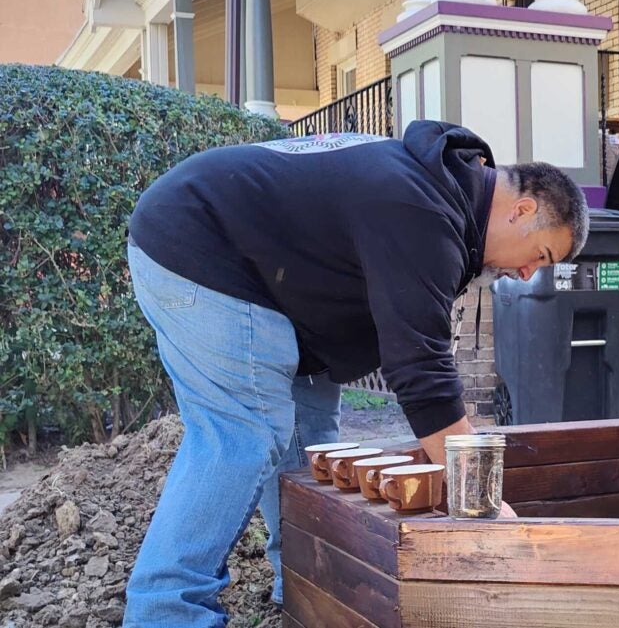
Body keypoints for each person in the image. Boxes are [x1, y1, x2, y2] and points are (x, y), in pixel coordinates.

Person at [120, 121, 587, 627]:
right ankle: (165, 612)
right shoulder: (422, 209)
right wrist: (480, 499)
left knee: (315, 453)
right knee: (242, 434)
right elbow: (419, 368)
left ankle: (303, 586)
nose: (527, 275)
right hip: (204, 250)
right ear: (522, 210)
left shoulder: (441, 199)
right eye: (540, 257)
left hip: (283, 300)